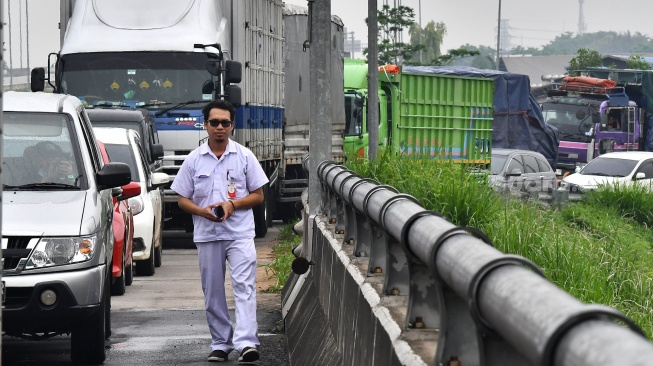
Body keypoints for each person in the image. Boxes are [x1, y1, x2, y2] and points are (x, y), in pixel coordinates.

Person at [170, 100, 268, 363]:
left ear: (232, 126)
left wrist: (232, 204)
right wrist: (202, 212)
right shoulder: (193, 160)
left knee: (244, 287)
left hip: (239, 234)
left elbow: (258, 195)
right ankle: (221, 344)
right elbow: (182, 198)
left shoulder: (245, 157)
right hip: (207, 235)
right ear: (206, 125)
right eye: (214, 123)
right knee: (212, 291)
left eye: (225, 123)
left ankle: (247, 343)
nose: (220, 128)